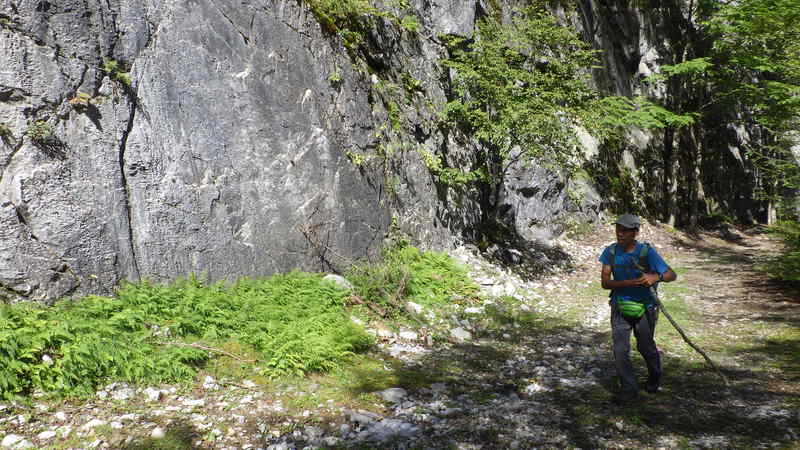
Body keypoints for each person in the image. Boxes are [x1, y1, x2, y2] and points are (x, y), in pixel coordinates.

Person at [599, 214, 677, 404]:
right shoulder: (610, 252)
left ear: (635, 232)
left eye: (625, 230)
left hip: (646, 308)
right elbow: (605, 283)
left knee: (646, 347)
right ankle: (629, 389)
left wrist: (655, 278)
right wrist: (630, 283)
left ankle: (654, 376)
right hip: (620, 306)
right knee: (620, 350)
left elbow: (671, 274)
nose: (620, 233)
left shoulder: (647, 253)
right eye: (618, 229)